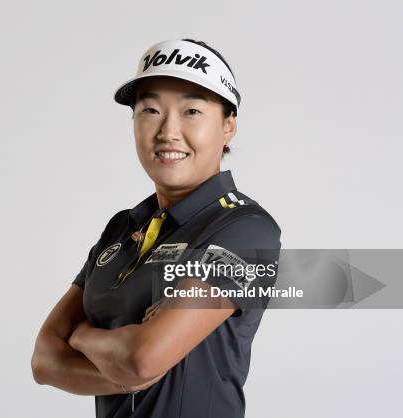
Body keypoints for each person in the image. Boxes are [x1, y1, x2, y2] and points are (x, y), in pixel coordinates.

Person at [31, 38, 282, 418]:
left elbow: (142, 361)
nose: (168, 131)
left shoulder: (245, 229)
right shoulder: (122, 227)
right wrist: (123, 362)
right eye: (150, 109)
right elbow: (44, 360)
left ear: (228, 126)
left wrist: (82, 336)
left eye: (192, 111)